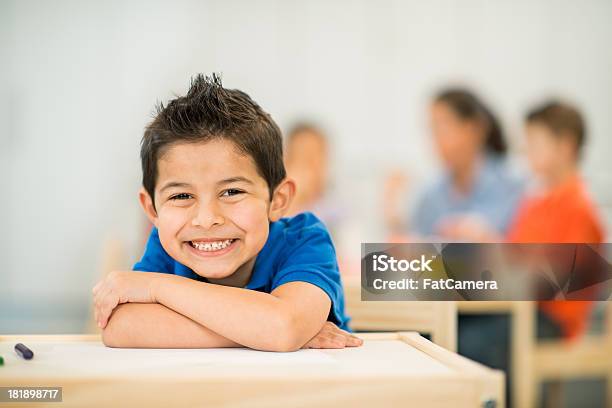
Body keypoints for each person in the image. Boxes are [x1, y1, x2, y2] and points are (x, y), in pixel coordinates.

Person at [92, 74, 362, 351]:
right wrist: (261, 332)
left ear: (278, 200)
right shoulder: (167, 246)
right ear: (153, 209)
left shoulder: (305, 239)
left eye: (232, 192)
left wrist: (155, 288)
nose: (207, 219)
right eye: (182, 196)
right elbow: (119, 327)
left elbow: (284, 327)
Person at [508, 100, 605, 340]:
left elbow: (555, 279)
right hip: (522, 311)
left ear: (565, 146)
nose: (526, 151)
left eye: (534, 144)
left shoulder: (580, 208)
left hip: (554, 322)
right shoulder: (533, 203)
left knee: (468, 340)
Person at [409, 88, 523, 240]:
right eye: (432, 130)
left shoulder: (516, 187)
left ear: (474, 129)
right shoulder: (429, 196)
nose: (436, 140)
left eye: (442, 128)